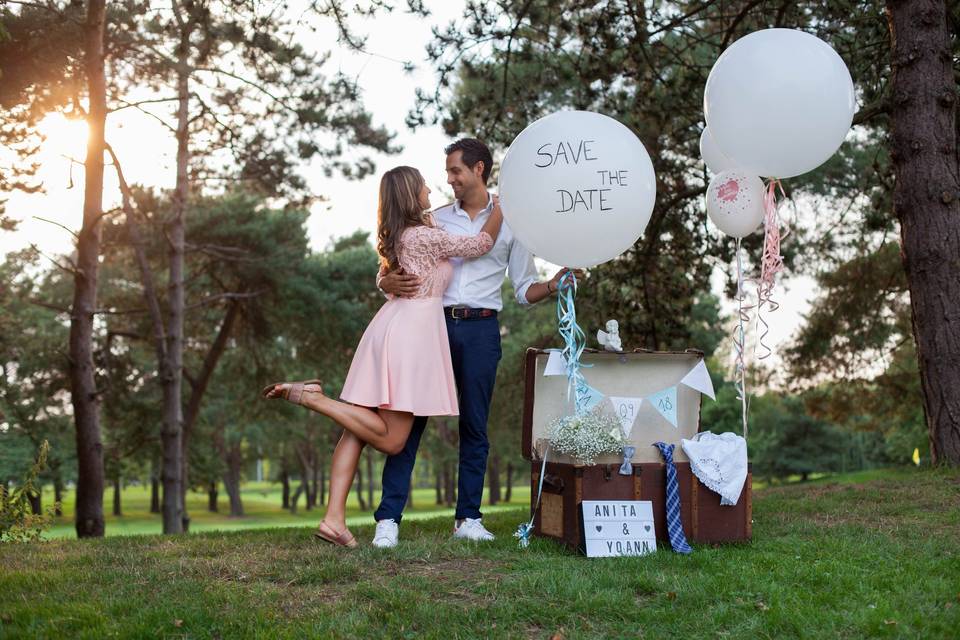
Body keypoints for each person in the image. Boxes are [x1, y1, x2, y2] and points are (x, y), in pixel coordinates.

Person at [261, 165, 503, 548]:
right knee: (392, 440)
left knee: (355, 431)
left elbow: (385, 272)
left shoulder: (405, 234)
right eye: (423, 185)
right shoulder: (423, 235)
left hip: (391, 327)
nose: (429, 189)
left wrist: (383, 280)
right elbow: (479, 246)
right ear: (411, 194)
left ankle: (333, 520)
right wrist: (502, 207)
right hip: (412, 334)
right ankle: (312, 397)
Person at [372, 138, 581, 547]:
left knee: (474, 424)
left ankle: (467, 517)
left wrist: (553, 285)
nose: (448, 179)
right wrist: (382, 280)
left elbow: (523, 289)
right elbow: (397, 261)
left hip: (483, 330)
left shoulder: (511, 222)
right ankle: (388, 519)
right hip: (429, 326)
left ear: (479, 169)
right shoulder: (432, 220)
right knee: (409, 421)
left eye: (455, 171)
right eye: (447, 172)